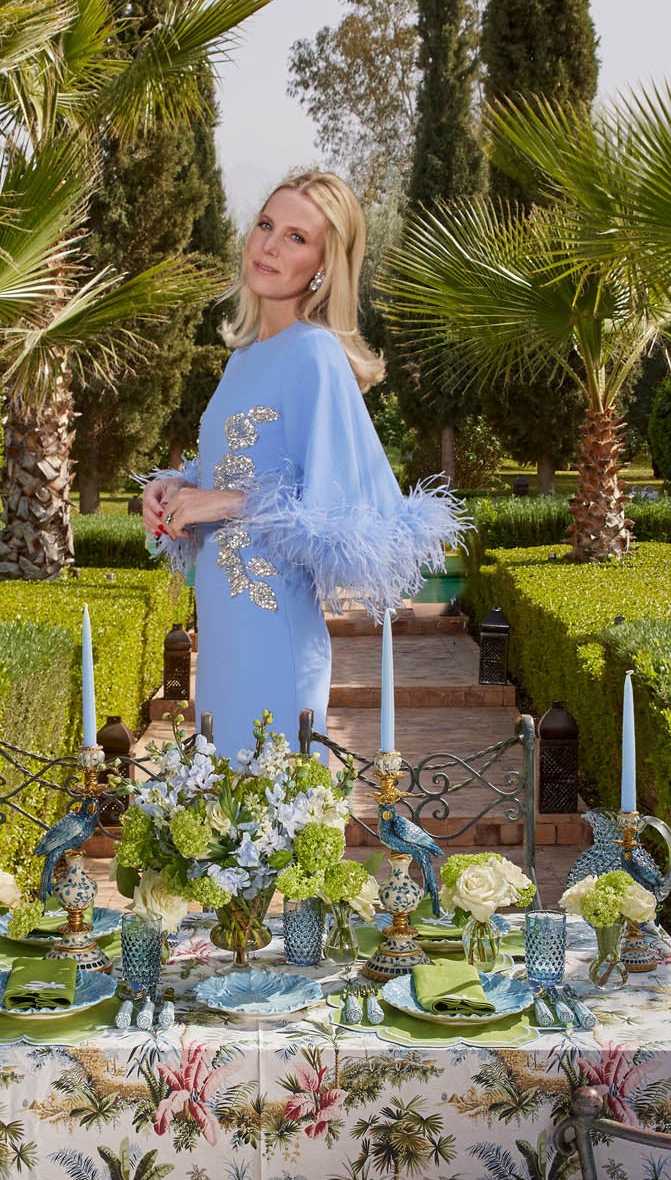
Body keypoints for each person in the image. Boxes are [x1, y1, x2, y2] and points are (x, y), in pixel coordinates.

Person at [142, 169, 461, 754]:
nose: (269, 244)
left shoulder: (315, 353)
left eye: (296, 237)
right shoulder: (242, 360)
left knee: (268, 818)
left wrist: (223, 502)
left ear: (323, 265)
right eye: (267, 225)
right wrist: (175, 489)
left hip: (273, 629)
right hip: (223, 626)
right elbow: (244, 467)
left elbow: (347, 506)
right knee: (226, 822)